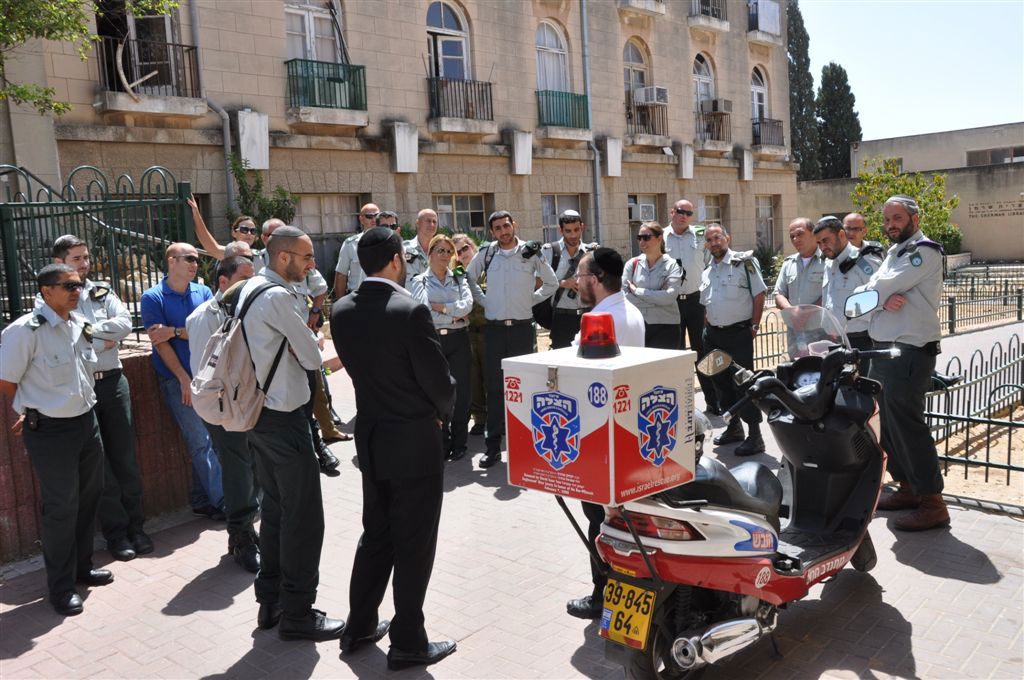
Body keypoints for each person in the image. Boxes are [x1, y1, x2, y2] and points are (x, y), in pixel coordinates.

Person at [332, 227, 457, 670]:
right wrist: (441, 410)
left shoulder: (341, 310)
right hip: (414, 443)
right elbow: (439, 383)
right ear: (396, 261)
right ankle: (407, 641)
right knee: (413, 544)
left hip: (372, 439)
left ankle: (360, 625)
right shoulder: (409, 310)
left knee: (376, 536)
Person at [237, 226, 345, 640]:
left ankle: (271, 601)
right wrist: (312, 342)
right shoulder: (278, 297)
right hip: (283, 417)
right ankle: (298, 612)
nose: (312, 264)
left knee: (277, 511)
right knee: (303, 517)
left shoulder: (248, 288)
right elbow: (313, 356)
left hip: (259, 415)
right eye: (306, 257)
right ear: (283, 257)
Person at [0, 264, 112, 615]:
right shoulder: (25, 331)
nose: (77, 291)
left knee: (89, 497)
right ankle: (61, 587)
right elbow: (6, 379)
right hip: (50, 429)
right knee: (61, 507)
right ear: (46, 291)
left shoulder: (79, 323)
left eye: (79, 285)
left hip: (86, 422)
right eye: (69, 286)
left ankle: (82, 567)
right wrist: (25, 408)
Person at [44, 235, 152, 562]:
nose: (85, 264)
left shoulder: (101, 291)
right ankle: (116, 535)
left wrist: (87, 334)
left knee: (125, 459)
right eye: (77, 258)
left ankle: (137, 527)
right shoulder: (51, 298)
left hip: (114, 382)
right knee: (100, 467)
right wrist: (102, 339)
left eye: (86, 257)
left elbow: (125, 324)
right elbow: (62, 337)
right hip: (82, 387)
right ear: (60, 262)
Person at [855, 195, 949, 531]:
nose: (890, 224)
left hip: (909, 350)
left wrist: (876, 296)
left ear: (914, 218)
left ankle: (933, 503)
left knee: (908, 426)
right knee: (888, 426)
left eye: (897, 218)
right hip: (885, 349)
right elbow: (868, 293)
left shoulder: (923, 251)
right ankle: (908, 488)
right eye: (886, 219)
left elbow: (876, 288)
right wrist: (880, 300)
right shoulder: (894, 252)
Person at [566, 247, 644, 620]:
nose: (577, 283)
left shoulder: (598, 320)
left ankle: (603, 594)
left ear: (596, 280)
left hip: (600, 435)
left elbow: (576, 374)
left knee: (599, 520)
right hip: (627, 432)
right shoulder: (632, 311)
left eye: (581, 277)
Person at [186, 256, 262, 574]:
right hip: (224, 405)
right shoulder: (203, 317)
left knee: (254, 466)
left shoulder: (253, 307)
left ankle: (245, 531)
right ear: (223, 282)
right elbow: (208, 373)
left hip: (252, 401)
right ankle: (241, 537)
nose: (252, 285)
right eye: (245, 278)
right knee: (237, 469)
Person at [466, 211, 558, 468]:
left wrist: (530, 300)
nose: (503, 231)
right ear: (492, 231)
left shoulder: (530, 252)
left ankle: (527, 448)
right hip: (494, 331)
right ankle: (493, 447)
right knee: (495, 389)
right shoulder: (487, 253)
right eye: (498, 228)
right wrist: (484, 301)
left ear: (514, 225)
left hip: (521, 330)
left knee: (525, 388)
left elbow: (551, 283)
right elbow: (468, 278)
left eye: (506, 225)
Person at [140, 243, 225, 519]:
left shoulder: (204, 292)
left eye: (196, 259)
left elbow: (212, 331)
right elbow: (159, 342)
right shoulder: (152, 297)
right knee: (201, 441)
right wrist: (183, 378)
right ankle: (223, 502)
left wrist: (174, 331)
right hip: (179, 379)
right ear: (171, 261)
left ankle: (202, 499)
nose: (194, 264)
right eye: (188, 258)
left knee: (211, 440)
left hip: (207, 377)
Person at [700, 224, 767, 456]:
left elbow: (759, 294)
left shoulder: (745, 263)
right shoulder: (707, 270)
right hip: (713, 335)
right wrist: (707, 329)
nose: (714, 243)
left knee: (743, 384)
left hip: (738, 334)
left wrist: (754, 326)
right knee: (720, 383)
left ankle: (755, 436)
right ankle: (734, 428)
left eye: (717, 237)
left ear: (727, 238)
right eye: (709, 240)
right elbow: (707, 305)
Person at [409, 234, 474, 462]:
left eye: (448, 251)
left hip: (459, 340)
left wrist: (443, 309)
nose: (445, 255)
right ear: (430, 253)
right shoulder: (419, 281)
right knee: (438, 392)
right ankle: (443, 441)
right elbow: (424, 310)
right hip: (434, 341)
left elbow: (468, 305)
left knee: (462, 393)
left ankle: (460, 442)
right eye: (440, 250)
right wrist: (453, 315)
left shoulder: (459, 278)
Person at [814, 216, 883, 373]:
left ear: (841, 235)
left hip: (861, 339)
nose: (822, 247)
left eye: (825, 240)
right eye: (819, 243)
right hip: (835, 339)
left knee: (861, 385)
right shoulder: (829, 262)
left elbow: (879, 299)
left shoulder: (864, 262)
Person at [666, 199, 716, 410]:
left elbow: (711, 265)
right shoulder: (660, 236)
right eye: (681, 211)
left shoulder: (699, 235)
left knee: (703, 352)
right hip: (671, 303)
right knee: (675, 354)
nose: (684, 216)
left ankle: (713, 402)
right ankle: (678, 404)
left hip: (697, 301)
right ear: (672, 212)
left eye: (689, 213)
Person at [623, 222, 683, 349]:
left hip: (666, 327)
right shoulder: (632, 264)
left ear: (659, 238)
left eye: (646, 237)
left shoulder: (672, 265)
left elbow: (669, 297)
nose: (642, 242)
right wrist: (656, 300)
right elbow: (625, 296)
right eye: (639, 238)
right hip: (638, 325)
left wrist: (637, 291)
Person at [541, 210, 594, 349]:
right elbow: (537, 282)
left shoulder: (592, 252)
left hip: (588, 315)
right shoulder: (549, 251)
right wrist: (562, 283)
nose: (573, 235)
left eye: (576, 230)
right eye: (568, 231)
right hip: (561, 317)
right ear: (561, 230)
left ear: (582, 227)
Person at [453, 234, 487, 435]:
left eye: (465, 248)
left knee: (491, 377)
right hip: (467, 333)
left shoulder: (486, 271)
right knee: (473, 378)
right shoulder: (456, 276)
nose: (463, 253)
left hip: (488, 331)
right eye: (457, 251)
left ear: (472, 247)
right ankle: (480, 419)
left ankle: (496, 418)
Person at [189, 193, 259, 259]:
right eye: (244, 230)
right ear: (234, 233)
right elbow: (213, 248)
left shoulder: (261, 256)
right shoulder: (231, 253)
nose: (249, 233)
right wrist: (196, 213)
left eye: (253, 231)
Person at [774, 218, 825, 309]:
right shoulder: (789, 263)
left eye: (800, 234)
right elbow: (779, 294)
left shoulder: (828, 261)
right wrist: (792, 312)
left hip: (820, 318)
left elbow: (832, 293)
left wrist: (806, 312)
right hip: (793, 318)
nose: (795, 239)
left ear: (814, 234)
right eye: (792, 236)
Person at [334, 203, 381, 297]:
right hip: (358, 297)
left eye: (377, 216)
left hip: (383, 296)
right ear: (361, 219)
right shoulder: (350, 244)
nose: (374, 219)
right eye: (369, 216)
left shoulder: (389, 242)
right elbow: (341, 275)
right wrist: (340, 302)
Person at [404, 209, 439, 286]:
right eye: (428, 221)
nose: (432, 225)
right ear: (418, 223)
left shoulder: (442, 251)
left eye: (434, 222)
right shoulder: (404, 249)